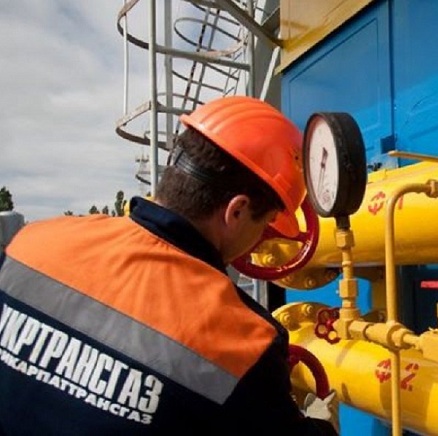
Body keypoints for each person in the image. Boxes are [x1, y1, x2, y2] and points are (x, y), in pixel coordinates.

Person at [0, 96, 338, 434]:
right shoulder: (242, 341)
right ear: (236, 211)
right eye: (264, 224)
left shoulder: (32, 243)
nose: (262, 238)